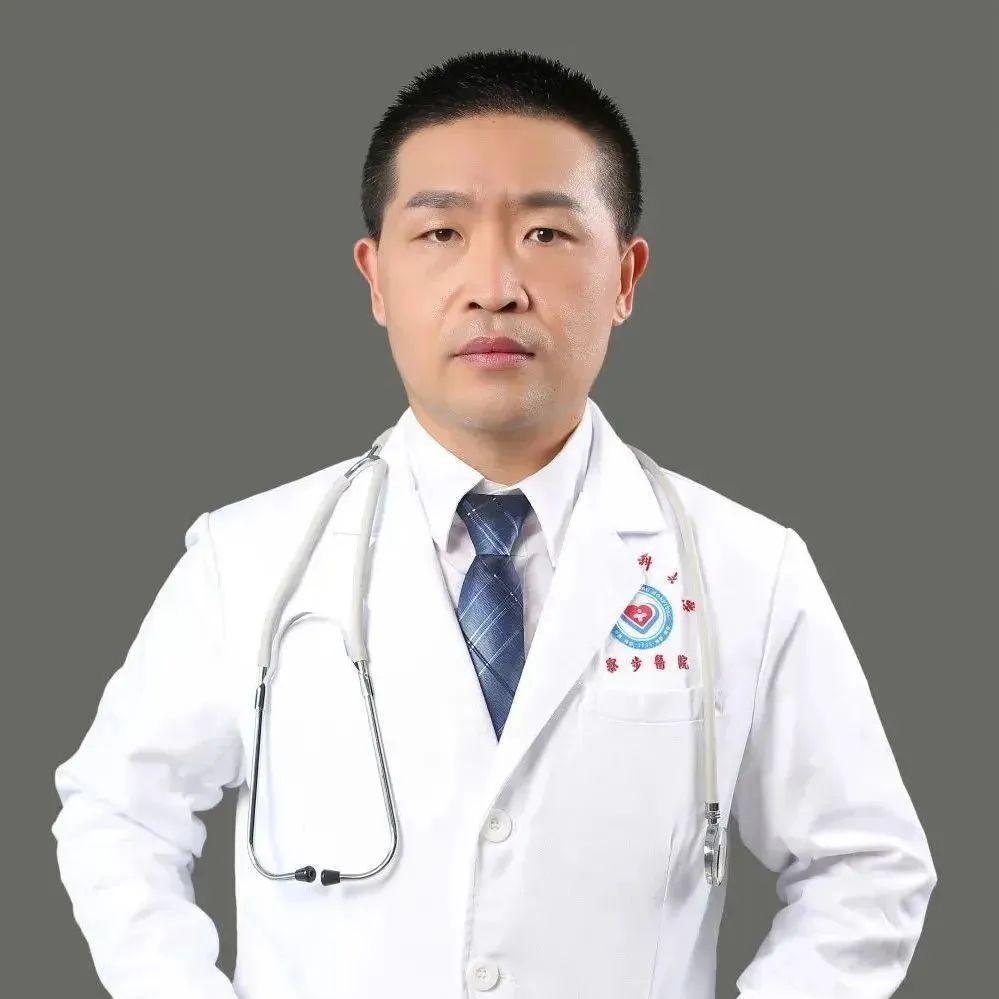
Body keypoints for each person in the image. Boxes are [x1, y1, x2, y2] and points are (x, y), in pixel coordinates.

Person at [51, 48, 936, 999]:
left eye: (547, 233)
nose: (494, 285)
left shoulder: (744, 568)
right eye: (440, 232)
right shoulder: (249, 558)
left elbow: (864, 867)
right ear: (375, 277)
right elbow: (119, 816)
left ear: (627, 274)